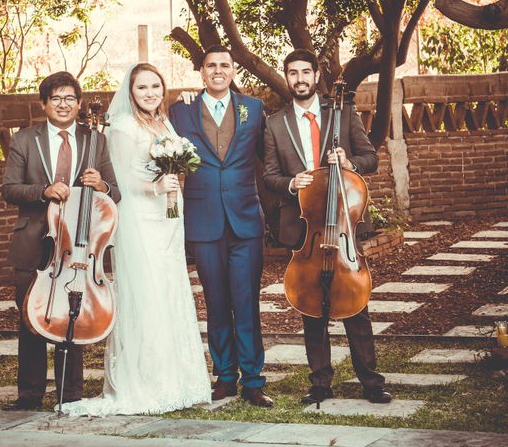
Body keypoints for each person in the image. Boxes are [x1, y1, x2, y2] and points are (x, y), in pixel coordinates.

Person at [60, 63, 211, 416]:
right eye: (142, 88)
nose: (150, 93)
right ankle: (146, 381)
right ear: (130, 92)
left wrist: (170, 184)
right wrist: (156, 185)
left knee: (170, 289)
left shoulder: (163, 122)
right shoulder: (124, 127)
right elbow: (123, 181)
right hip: (140, 218)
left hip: (167, 219)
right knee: (146, 292)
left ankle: (179, 380)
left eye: (156, 86)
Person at [263, 48, 392, 405]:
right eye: (293, 73)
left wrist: (350, 161)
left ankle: (371, 380)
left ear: (317, 75)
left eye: (306, 72)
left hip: (343, 225)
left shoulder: (342, 112)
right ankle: (320, 382)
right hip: (307, 226)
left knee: (355, 303)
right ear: (286, 77)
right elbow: (270, 175)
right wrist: (292, 183)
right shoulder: (275, 123)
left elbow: (371, 158)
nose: (300, 79)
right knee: (310, 305)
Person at [1, 71, 121, 410]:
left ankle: (71, 395)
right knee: (30, 316)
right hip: (33, 240)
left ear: (79, 103)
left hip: (77, 245)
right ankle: (29, 395)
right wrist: (43, 191)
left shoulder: (95, 140)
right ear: (43, 104)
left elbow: (116, 192)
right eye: (56, 98)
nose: (63, 104)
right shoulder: (25, 139)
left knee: (73, 315)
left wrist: (102, 186)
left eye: (70, 98)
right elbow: (8, 188)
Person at [169, 45, 273, 408]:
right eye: (211, 65)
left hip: (245, 219)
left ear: (232, 71)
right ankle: (225, 377)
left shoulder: (254, 109)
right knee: (215, 303)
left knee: (246, 302)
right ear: (201, 71)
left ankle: (254, 380)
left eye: (224, 65)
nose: (217, 70)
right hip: (203, 220)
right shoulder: (179, 110)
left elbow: (270, 159)